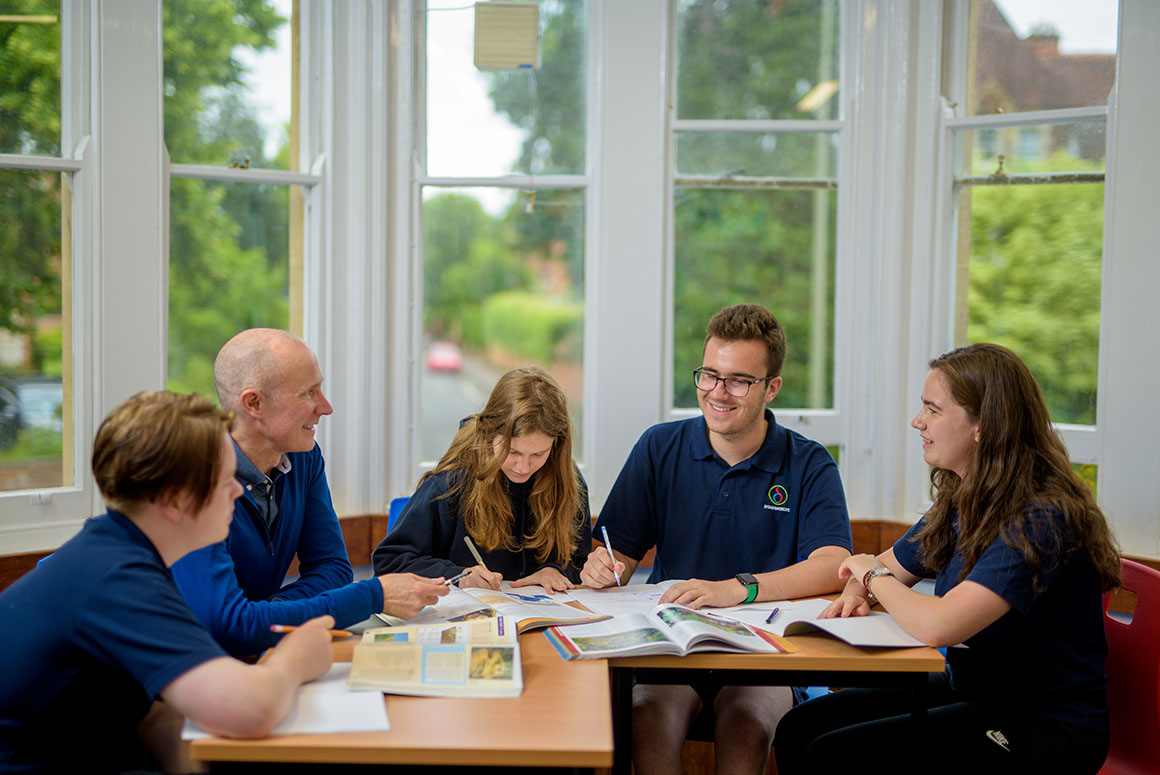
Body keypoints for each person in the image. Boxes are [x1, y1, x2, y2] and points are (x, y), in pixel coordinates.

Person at [774, 343, 1121, 775]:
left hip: (1047, 724)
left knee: (831, 757)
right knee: (800, 727)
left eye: (932, 410)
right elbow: (887, 563)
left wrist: (872, 576)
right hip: (975, 691)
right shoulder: (966, 496)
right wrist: (859, 587)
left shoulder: (1040, 518)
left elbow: (936, 621)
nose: (917, 421)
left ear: (983, 425)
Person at [0, 391, 336, 774]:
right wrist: (294, 657)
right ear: (175, 499)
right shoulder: (118, 578)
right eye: (226, 481)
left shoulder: (118, 552)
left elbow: (153, 717)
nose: (238, 491)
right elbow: (250, 711)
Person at [581, 303, 852, 775]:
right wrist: (604, 567)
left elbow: (833, 562)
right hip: (673, 650)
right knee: (644, 723)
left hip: (764, 657)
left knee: (746, 729)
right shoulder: (659, 447)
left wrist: (737, 588)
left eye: (739, 381)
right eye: (709, 375)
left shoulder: (809, 464)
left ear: (772, 388)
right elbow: (618, 551)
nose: (718, 393)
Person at [172, 329, 446, 657]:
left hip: (256, 656)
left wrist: (263, 615)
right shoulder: (194, 481)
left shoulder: (304, 456)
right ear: (254, 403)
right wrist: (372, 596)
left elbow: (333, 569)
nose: (326, 407)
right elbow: (226, 628)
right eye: (309, 393)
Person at [372, 366, 591, 593]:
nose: (524, 467)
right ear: (488, 428)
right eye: (513, 452)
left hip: (542, 620)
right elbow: (389, 563)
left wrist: (558, 571)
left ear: (556, 445)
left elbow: (580, 564)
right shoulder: (452, 482)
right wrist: (458, 576)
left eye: (538, 454)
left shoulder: (568, 481)